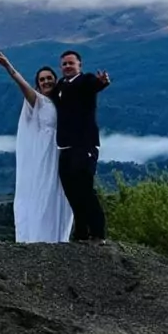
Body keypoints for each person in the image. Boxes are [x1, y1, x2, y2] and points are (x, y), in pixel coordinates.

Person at [0, 50, 73, 244]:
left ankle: (60, 238)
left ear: (56, 80)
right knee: (44, 194)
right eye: (42, 79)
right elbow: (22, 85)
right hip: (46, 155)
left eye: (50, 78)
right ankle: (40, 239)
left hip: (63, 152)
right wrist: (9, 67)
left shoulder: (64, 101)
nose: (46, 82)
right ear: (38, 84)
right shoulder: (39, 101)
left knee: (62, 196)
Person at [51, 50, 111, 243]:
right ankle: (81, 233)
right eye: (64, 64)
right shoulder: (60, 85)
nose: (67, 66)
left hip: (85, 144)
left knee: (85, 189)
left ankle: (98, 233)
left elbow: (96, 86)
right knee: (71, 191)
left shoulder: (86, 80)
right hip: (66, 147)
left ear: (79, 65)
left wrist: (103, 83)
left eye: (71, 63)